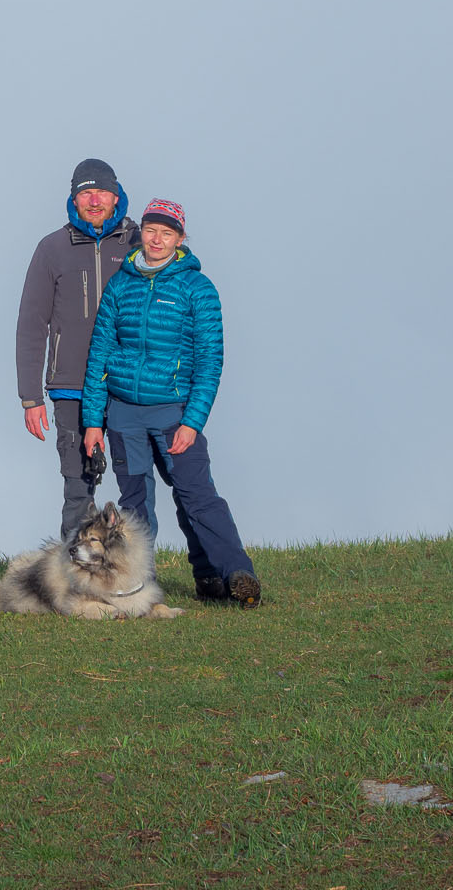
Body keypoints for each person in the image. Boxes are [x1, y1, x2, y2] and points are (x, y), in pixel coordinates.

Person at [80, 199, 262, 607]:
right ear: (140, 232)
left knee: (197, 495)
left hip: (174, 414)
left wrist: (192, 422)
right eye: (150, 230)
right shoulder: (120, 284)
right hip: (123, 416)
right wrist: (94, 421)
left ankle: (233, 575)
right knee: (135, 507)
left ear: (180, 239)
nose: (156, 239)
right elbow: (100, 354)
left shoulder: (198, 288)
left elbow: (209, 362)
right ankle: (141, 587)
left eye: (167, 233)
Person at [15, 159, 140, 540]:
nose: (95, 200)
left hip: (126, 383)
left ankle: (135, 576)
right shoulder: (52, 248)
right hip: (71, 385)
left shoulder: (137, 244)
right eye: (86, 193)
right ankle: (71, 580)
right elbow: (31, 324)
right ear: (74, 199)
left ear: (116, 195)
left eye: (101, 191)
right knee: (78, 490)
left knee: (135, 485)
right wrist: (30, 397)